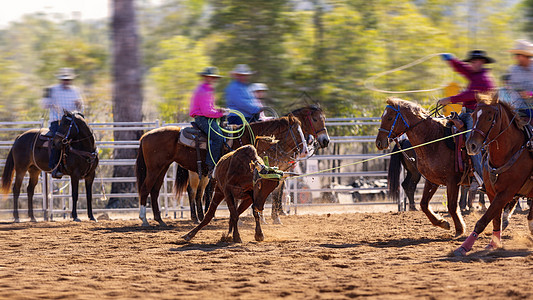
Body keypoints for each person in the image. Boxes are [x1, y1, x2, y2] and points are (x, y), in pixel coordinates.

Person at [438, 50, 496, 185]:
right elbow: (462, 68)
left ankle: (483, 180)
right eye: (472, 62)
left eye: (475, 61)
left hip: (477, 115)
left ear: (482, 62)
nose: (473, 64)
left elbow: (471, 95)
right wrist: (451, 60)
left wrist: (450, 99)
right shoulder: (475, 74)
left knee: (473, 143)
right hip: (467, 112)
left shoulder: (484, 79)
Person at [41, 67, 84, 178]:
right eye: (64, 79)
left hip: (71, 122)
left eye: (68, 79)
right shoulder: (52, 90)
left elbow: (81, 107)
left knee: (83, 138)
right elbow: (44, 104)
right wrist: (51, 104)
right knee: (58, 140)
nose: (66, 81)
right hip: (57, 121)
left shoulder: (75, 91)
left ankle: (83, 165)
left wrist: (79, 105)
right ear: (60, 79)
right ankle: (54, 166)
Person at [189, 66, 227, 175]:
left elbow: (209, 108)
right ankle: (211, 166)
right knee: (218, 138)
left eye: (213, 77)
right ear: (205, 77)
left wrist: (218, 110)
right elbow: (206, 111)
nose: (212, 79)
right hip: (203, 119)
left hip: (205, 117)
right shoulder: (204, 91)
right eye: (210, 77)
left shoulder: (206, 89)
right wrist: (220, 113)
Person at [504, 39, 533, 121]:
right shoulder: (513, 70)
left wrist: (530, 94)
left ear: (526, 55)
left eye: (518, 55)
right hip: (516, 109)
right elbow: (509, 87)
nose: (516, 57)